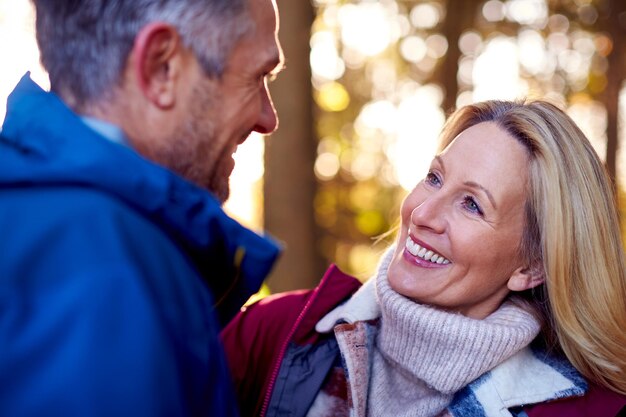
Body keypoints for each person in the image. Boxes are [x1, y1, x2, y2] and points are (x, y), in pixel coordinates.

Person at [221, 99, 626, 417]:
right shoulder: (276, 331)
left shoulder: (592, 411)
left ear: (531, 267)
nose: (422, 213)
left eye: (471, 204)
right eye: (434, 178)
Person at [0, 0, 284, 415]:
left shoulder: (31, 216)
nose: (267, 117)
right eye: (257, 76)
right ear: (161, 67)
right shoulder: (110, 276)